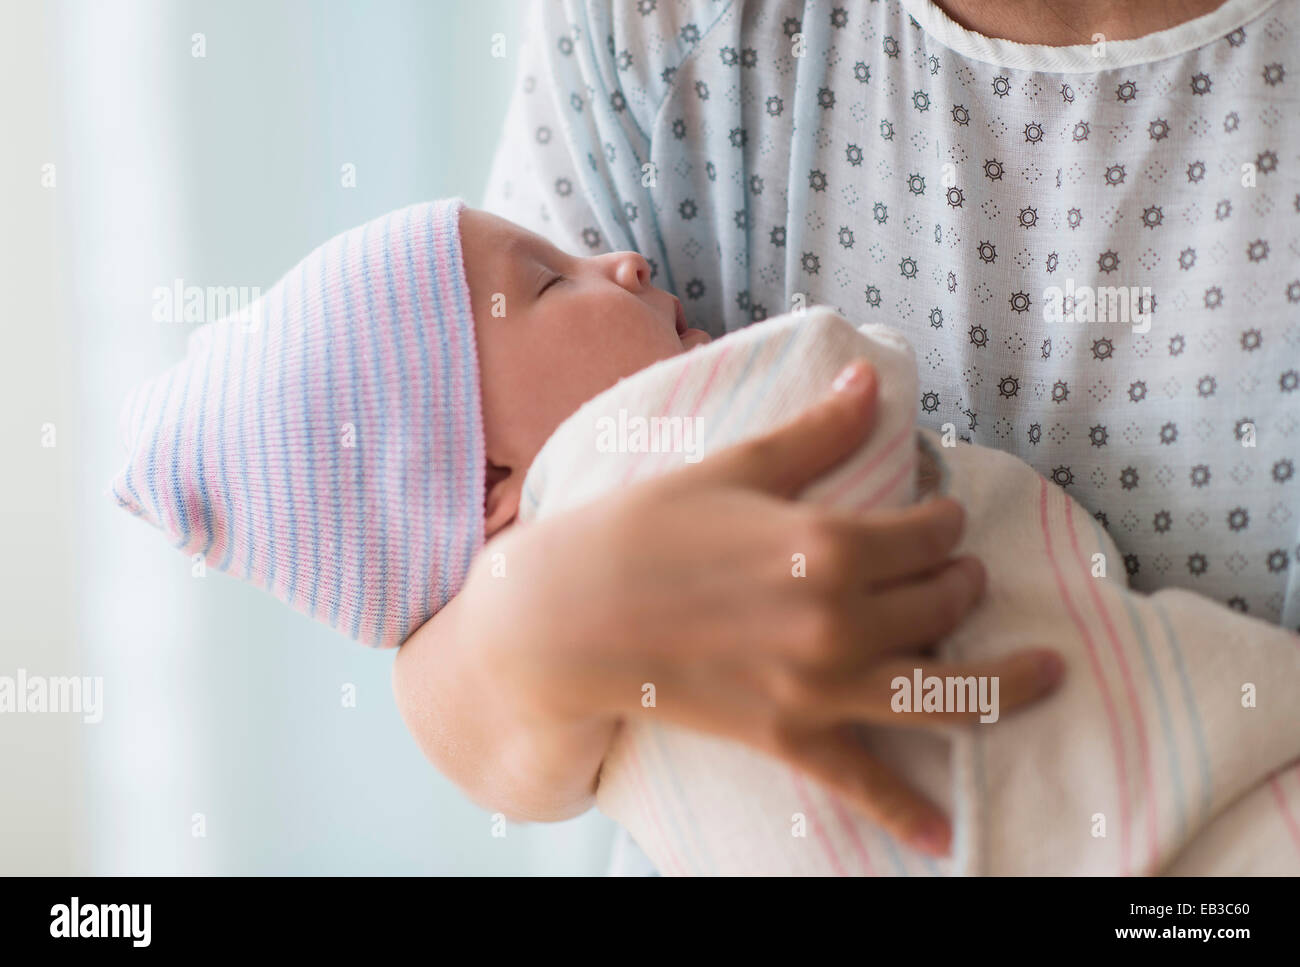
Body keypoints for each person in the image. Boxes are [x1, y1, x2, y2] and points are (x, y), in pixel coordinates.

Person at [399, 0, 1300, 870]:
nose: (619, 266)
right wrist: (545, 622)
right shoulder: (652, 27)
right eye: (557, 283)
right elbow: (443, 660)